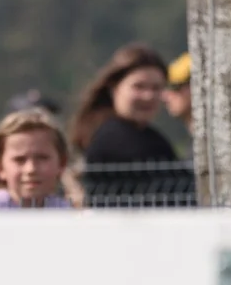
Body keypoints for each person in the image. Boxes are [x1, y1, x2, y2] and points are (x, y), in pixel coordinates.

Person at [69, 42, 193, 205]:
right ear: (114, 89)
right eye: (138, 86)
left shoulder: (145, 136)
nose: (148, 96)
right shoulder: (115, 138)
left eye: (156, 88)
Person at [0, 108, 73, 211]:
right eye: (20, 160)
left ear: (62, 164)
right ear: (0, 168)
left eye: (42, 158)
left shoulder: (64, 213)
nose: (31, 169)